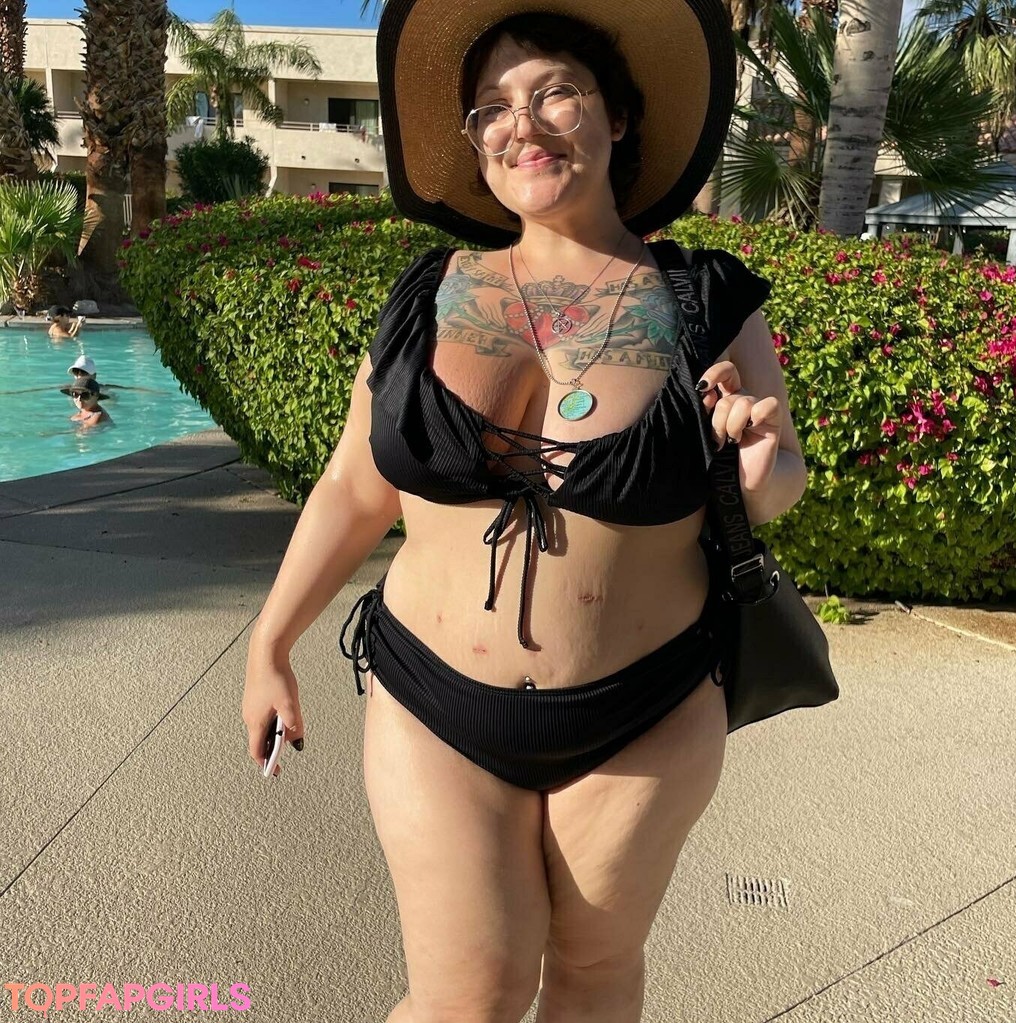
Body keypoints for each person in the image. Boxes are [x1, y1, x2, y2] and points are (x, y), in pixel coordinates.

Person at [243, 2, 807, 1020]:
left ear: (618, 117)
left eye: (555, 92)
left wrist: (759, 461)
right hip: (432, 701)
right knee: (467, 995)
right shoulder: (427, 294)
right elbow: (354, 486)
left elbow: (773, 486)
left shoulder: (706, 296)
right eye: (493, 106)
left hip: (644, 711)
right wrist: (269, 642)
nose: (523, 122)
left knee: (593, 973)